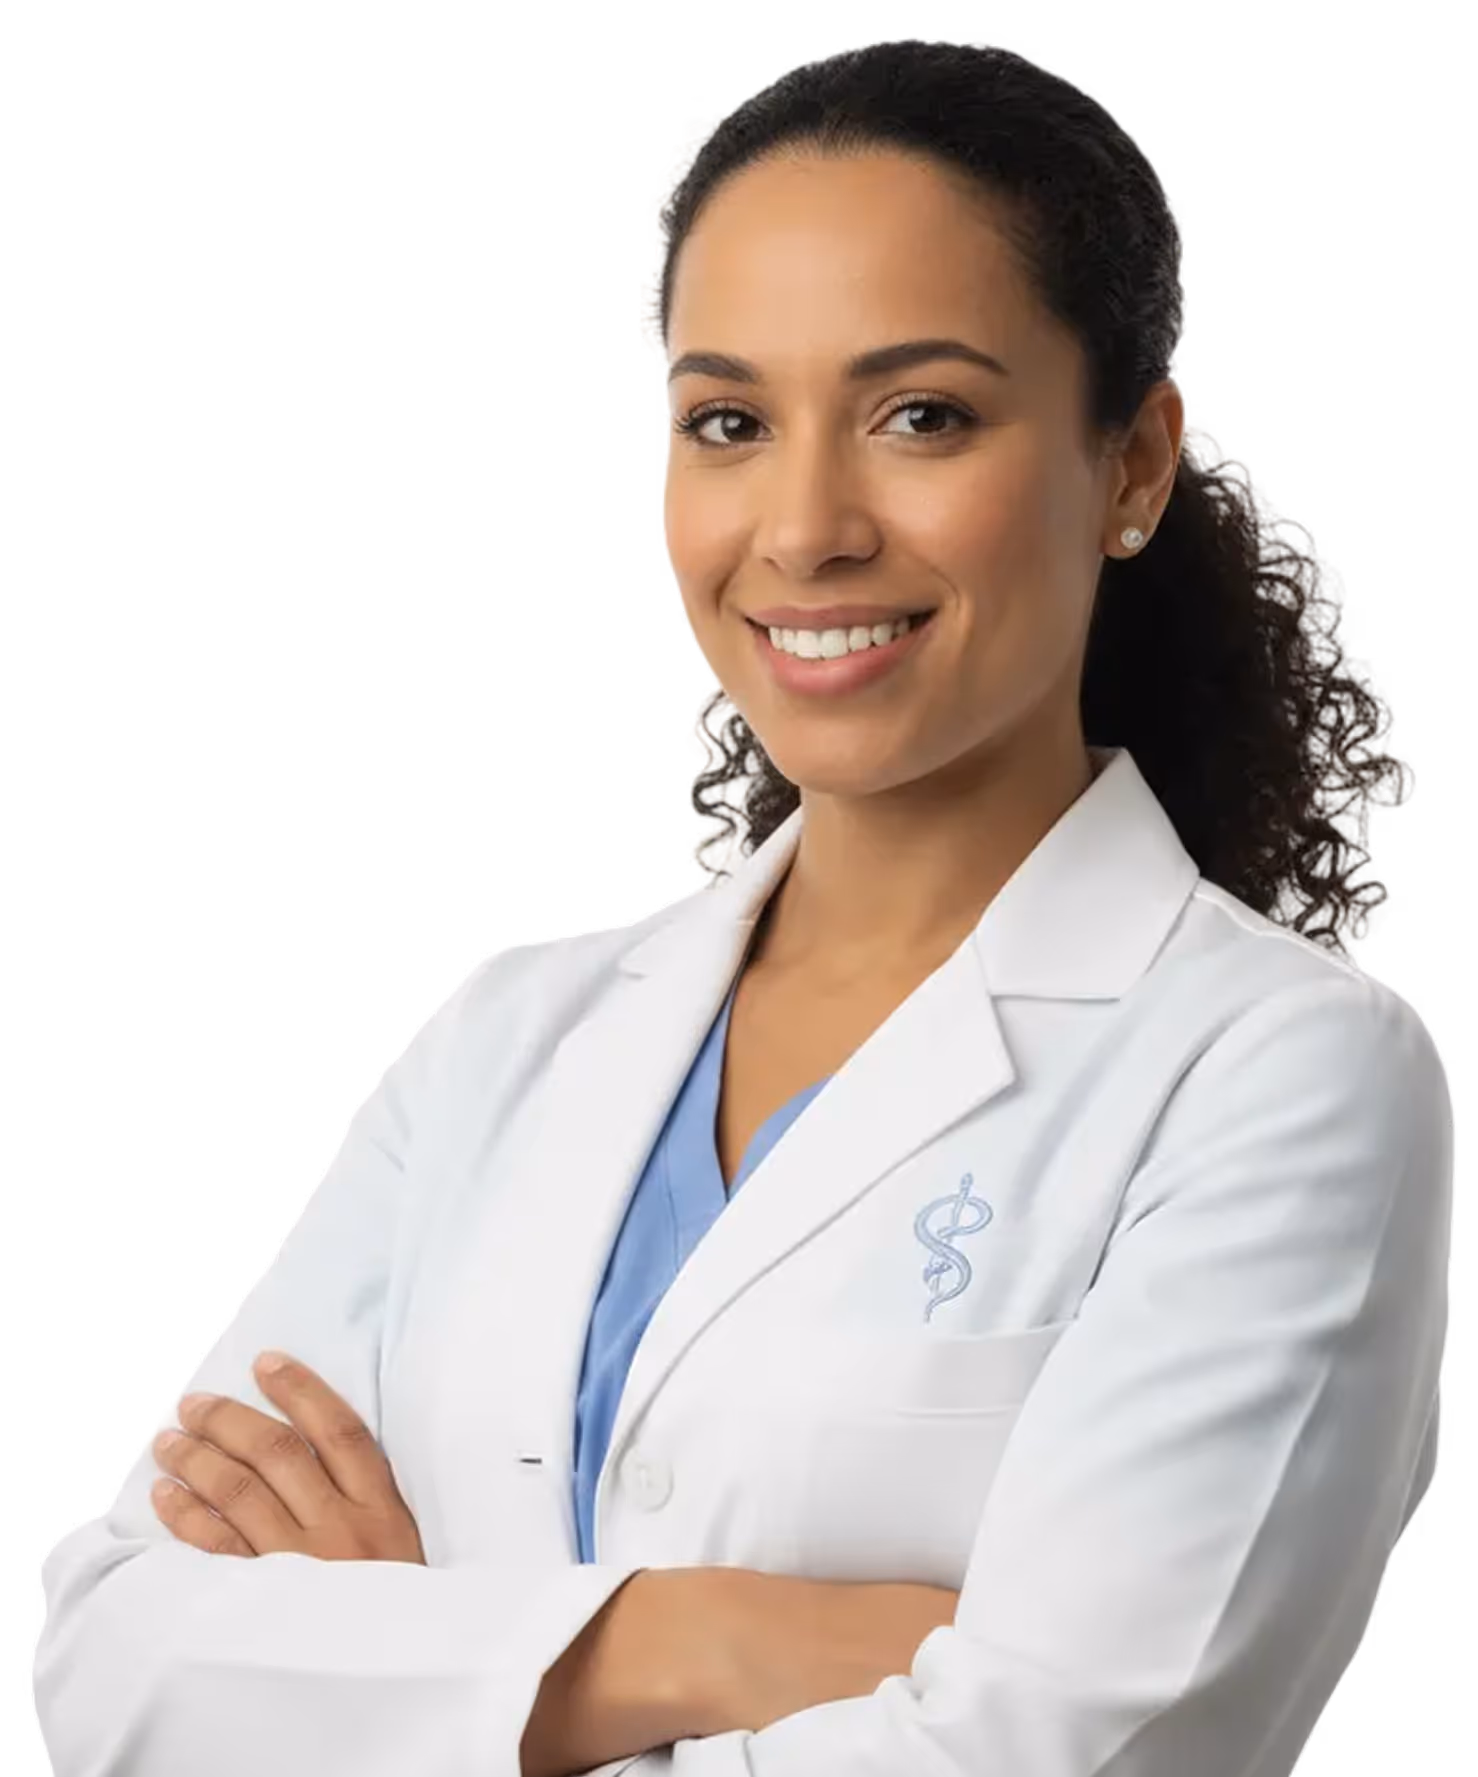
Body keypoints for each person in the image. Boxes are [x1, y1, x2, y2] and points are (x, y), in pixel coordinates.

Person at [34, 40, 1449, 1777]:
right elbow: (112, 1661)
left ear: (1134, 463)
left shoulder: (1280, 1076)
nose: (801, 528)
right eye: (726, 421)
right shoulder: (509, 1030)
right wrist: (715, 1634)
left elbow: (1082, 1749)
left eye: (921, 414)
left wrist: (393, 1667)